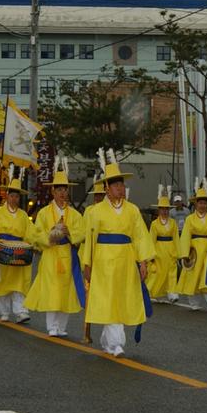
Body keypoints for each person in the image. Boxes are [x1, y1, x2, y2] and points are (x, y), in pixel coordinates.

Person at [81, 149, 153, 357]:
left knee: (122, 298)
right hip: (103, 261)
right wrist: (88, 264)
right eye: (115, 184)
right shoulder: (95, 212)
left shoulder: (132, 210)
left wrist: (143, 262)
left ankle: (108, 340)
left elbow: (140, 236)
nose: (120, 188)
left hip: (125, 259)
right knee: (107, 299)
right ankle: (116, 342)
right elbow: (90, 240)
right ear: (106, 187)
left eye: (122, 184)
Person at [26, 157, 85, 337]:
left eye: (64, 189)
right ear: (52, 191)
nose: (62, 193)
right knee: (52, 289)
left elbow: (82, 232)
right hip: (51, 254)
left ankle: (62, 326)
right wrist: (50, 236)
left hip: (67, 254)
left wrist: (69, 233)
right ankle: (52, 325)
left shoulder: (74, 214)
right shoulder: (44, 213)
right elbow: (35, 234)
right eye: (58, 189)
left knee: (66, 290)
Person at [0, 167, 42, 322]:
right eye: (12, 195)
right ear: (7, 196)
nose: (14, 199)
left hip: (19, 251)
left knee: (19, 282)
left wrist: (35, 244)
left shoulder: (23, 215)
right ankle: (4, 311)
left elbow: (31, 232)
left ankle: (21, 311)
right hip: (2, 250)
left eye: (16, 196)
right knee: (1, 282)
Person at [177, 178, 207, 312]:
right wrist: (184, 253)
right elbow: (185, 236)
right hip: (194, 251)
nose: (203, 205)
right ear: (196, 204)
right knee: (193, 275)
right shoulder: (190, 219)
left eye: (205, 203)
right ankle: (193, 302)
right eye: (200, 203)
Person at [146, 185, 180, 303]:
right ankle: (150, 291)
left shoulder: (173, 223)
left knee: (171, 271)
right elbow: (151, 239)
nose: (164, 211)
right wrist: (151, 254)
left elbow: (176, 237)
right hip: (159, 250)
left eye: (166, 209)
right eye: (162, 209)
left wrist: (178, 252)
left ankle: (172, 292)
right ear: (159, 210)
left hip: (170, 249)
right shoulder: (155, 224)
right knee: (157, 273)